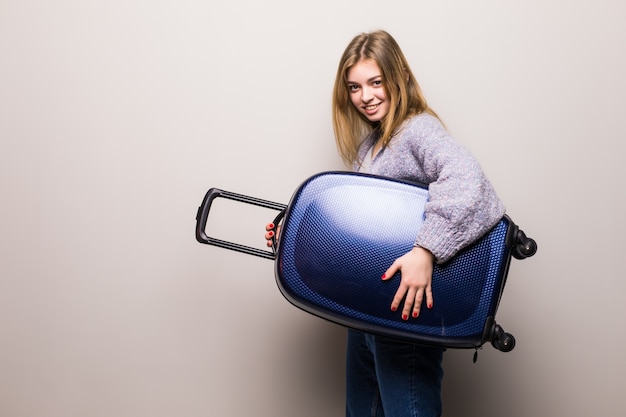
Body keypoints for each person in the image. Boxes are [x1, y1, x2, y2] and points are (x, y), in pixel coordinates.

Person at [265, 30, 505, 417]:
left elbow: (467, 181)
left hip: (403, 308)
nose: (366, 96)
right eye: (355, 87)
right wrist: (293, 231)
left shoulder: (418, 129)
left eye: (376, 82)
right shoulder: (369, 146)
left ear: (399, 78)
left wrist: (426, 251)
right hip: (368, 309)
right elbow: (363, 226)